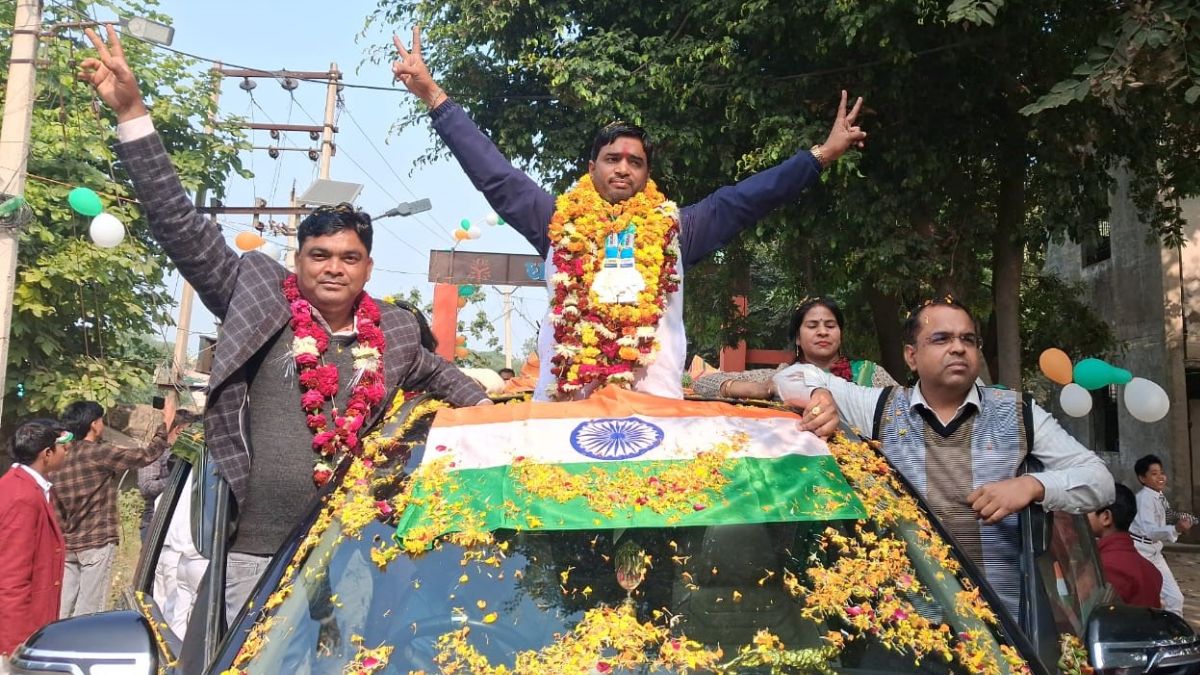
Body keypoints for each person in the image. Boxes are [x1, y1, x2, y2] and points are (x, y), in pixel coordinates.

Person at [79, 25, 490, 618]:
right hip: (252, 560)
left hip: (357, 559)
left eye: (348, 258)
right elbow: (181, 227)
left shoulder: (397, 332)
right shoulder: (259, 296)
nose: (333, 269)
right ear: (297, 261)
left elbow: (459, 388)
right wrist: (134, 114)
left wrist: (514, 433)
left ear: (368, 268)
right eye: (319, 256)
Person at [391, 26, 860, 429]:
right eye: (612, 158)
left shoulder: (678, 229)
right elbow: (495, 175)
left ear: (647, 174)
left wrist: (820, 155)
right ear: (591, 166)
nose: (623, 169)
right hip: (563, 415)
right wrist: (434, 96)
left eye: (635, 162)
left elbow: (748, 199)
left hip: (654, 419)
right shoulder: (557, 221)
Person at [772, 297, 1114, 616]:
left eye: (968, 340)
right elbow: (790, 376)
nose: (958, 348)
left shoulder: (1018, 412)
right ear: (911, 355)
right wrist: (820, 393)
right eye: (941, 339)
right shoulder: (880, 408)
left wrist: (1032, 485)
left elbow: (1100, 481)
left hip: (1005, 625)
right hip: (908, 624)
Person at [55, 400, 179, 617]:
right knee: (90, 611)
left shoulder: (62, 456)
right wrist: (165, 424)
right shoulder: (97, 453)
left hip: (68, 544)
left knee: (63, 608)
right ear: (94, 424)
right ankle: (86, 648)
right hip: (96, 541)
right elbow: (146, 455)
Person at [693, 296, 899, 399]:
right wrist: (761, 389)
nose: (822, 332)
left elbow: (908, 410)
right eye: (812, 326)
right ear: (798, 339)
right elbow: (703, 385)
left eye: (830, 325)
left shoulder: (870, 375)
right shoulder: (782, 376)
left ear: (840, 333)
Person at [0, 420, 71, 657]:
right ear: (47, 453)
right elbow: (12, 578)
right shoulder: (23, 498)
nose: (68, 450)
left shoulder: (26, 485)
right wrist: (18, 647)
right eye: (63, 445)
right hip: (21, 633)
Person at [1130, 454, 1192, 616]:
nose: (1161, 477)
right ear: (1142, 478)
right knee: (1145, 599)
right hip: (1141, 552)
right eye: (1154, 473)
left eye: (1162, 472)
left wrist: (1180, 521)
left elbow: (1167, 516)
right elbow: (1150, 530)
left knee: (1175, 598)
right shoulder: (1144, 498)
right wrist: (1176, 529)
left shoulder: (1158, 496)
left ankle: (1175, 634)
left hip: (1155, 552)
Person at [1088, 483, 1163, 608]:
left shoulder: (1103, 568)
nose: (1079, 515)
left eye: (1086, 509)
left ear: (1106, 517)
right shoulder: (1151, 570)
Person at [138, 409, 200, 541]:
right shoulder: (154, 452)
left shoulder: (190, 454)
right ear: (179, 429)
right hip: (155, 524)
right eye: (191, 431)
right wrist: (178, 479)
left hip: (182, 527)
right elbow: (146, 487)